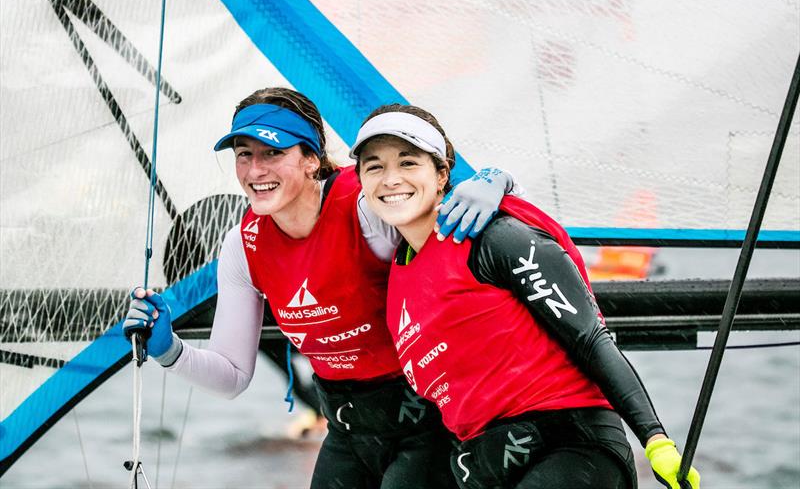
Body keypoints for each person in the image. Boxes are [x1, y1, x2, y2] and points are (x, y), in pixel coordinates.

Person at [123, 87, 518, 488]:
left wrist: (495, 181)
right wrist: (167, 349)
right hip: (348, 432)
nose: (255, 170)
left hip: (430, 425)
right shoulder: (242, 247)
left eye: (272, 152)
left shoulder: (368, 207)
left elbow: (448, 206)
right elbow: (232, 376)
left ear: (312, 159)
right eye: (244, 154)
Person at [351, 104, 702, 489]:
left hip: (570, 448)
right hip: (484, 463)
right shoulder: (397, 277)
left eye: (408, 163)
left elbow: (589, 337)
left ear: (441, 174)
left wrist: (655, 440)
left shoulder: (496, 236)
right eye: (374, 167)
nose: (391, 179)